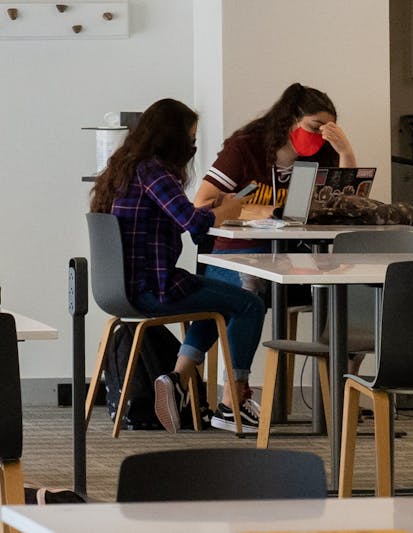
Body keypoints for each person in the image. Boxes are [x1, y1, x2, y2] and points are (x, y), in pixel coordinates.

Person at [89, 98, 265, 434]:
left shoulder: (123, 170)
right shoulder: (154, 170)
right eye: (192, 138)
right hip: (154, 289)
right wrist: (227, 211)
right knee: (249, 304)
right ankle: (232, 405)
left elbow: (181, 215)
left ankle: (177, 378)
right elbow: (191, 222)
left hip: (118, 291)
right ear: (174, 138)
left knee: (218, 302)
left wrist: (212, 208)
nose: (194, 146)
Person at [194, 83, 365, 374]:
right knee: (246, 288)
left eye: (329, 131)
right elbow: (202, 203)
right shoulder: (245, 149)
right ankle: (232, 393)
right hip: (238, 253)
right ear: (290, 120)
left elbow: (349, 208)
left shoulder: (320, 156)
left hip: (294, 258)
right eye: (316, 127)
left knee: (350, 294)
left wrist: (345, 151)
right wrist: (263, 211)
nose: (320, 136)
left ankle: (343, 390)